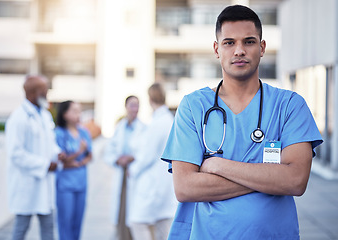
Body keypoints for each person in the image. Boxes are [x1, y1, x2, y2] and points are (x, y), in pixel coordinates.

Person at [161, 5, 323, 240]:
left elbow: (295, 181)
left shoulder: (289, 106)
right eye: (229, 43)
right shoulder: (193, 106)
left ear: (262, 47)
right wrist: (270, 179)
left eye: (248, 41)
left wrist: (217, 166)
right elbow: (185, 188)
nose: (239, 50)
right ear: (217, 49)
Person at [5, 75, 61, 240]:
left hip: (45, 184)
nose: (47, 93)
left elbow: (49, 143)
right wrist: (44, 165)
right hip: (26, 184)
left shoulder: (44, 115)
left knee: (48, 228)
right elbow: (15, 153)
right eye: (45, 90)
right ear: (34, 92)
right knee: (21, 229)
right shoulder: (18, 118)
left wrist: (58, 154)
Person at [128, 83, 177, 240]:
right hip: (165, 182)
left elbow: (147, 155)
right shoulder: (168, 119)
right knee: (163, 224)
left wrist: (133, 170)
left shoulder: (158, 122)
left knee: (138, 222)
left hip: (153, 182)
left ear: (150, 99)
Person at [104, 96, 145, 240]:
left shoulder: (143, 129)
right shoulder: (120, 127)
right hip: (122, 174)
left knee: (134, 212)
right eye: (132, 105)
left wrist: (131, 158)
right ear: (126, 107)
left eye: (137, 105)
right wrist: (118, 159)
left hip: (135, 174)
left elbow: (145, 153)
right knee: (121, 211)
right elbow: (109, 150)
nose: (135, 109)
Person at [54, 100, 92, 240]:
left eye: (79, 111)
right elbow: (60, 160)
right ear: (64, 114)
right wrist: (78, 152)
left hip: (81, 184)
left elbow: (90, 155)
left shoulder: (84, 132)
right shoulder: (59, 133)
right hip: (65, 186)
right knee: (65, 222)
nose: (78, 114)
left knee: (77, 222)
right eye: (74, 111)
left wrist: (79, 162)